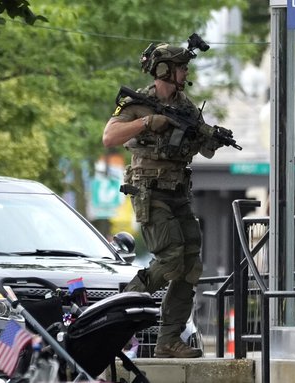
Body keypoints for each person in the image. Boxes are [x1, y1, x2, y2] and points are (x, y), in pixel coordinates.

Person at [102, 41, 223, 358]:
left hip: (178, 191)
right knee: (170, 259)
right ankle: (116, 311)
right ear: (164, 70)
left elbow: (200, 148)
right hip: (149, 190)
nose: (186, 73)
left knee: (189, 263)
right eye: (182, 67)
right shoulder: (136, 103)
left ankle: (168, 340)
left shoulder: (185, 105)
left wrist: (210, 137)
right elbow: (109, 136)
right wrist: (146, 122)